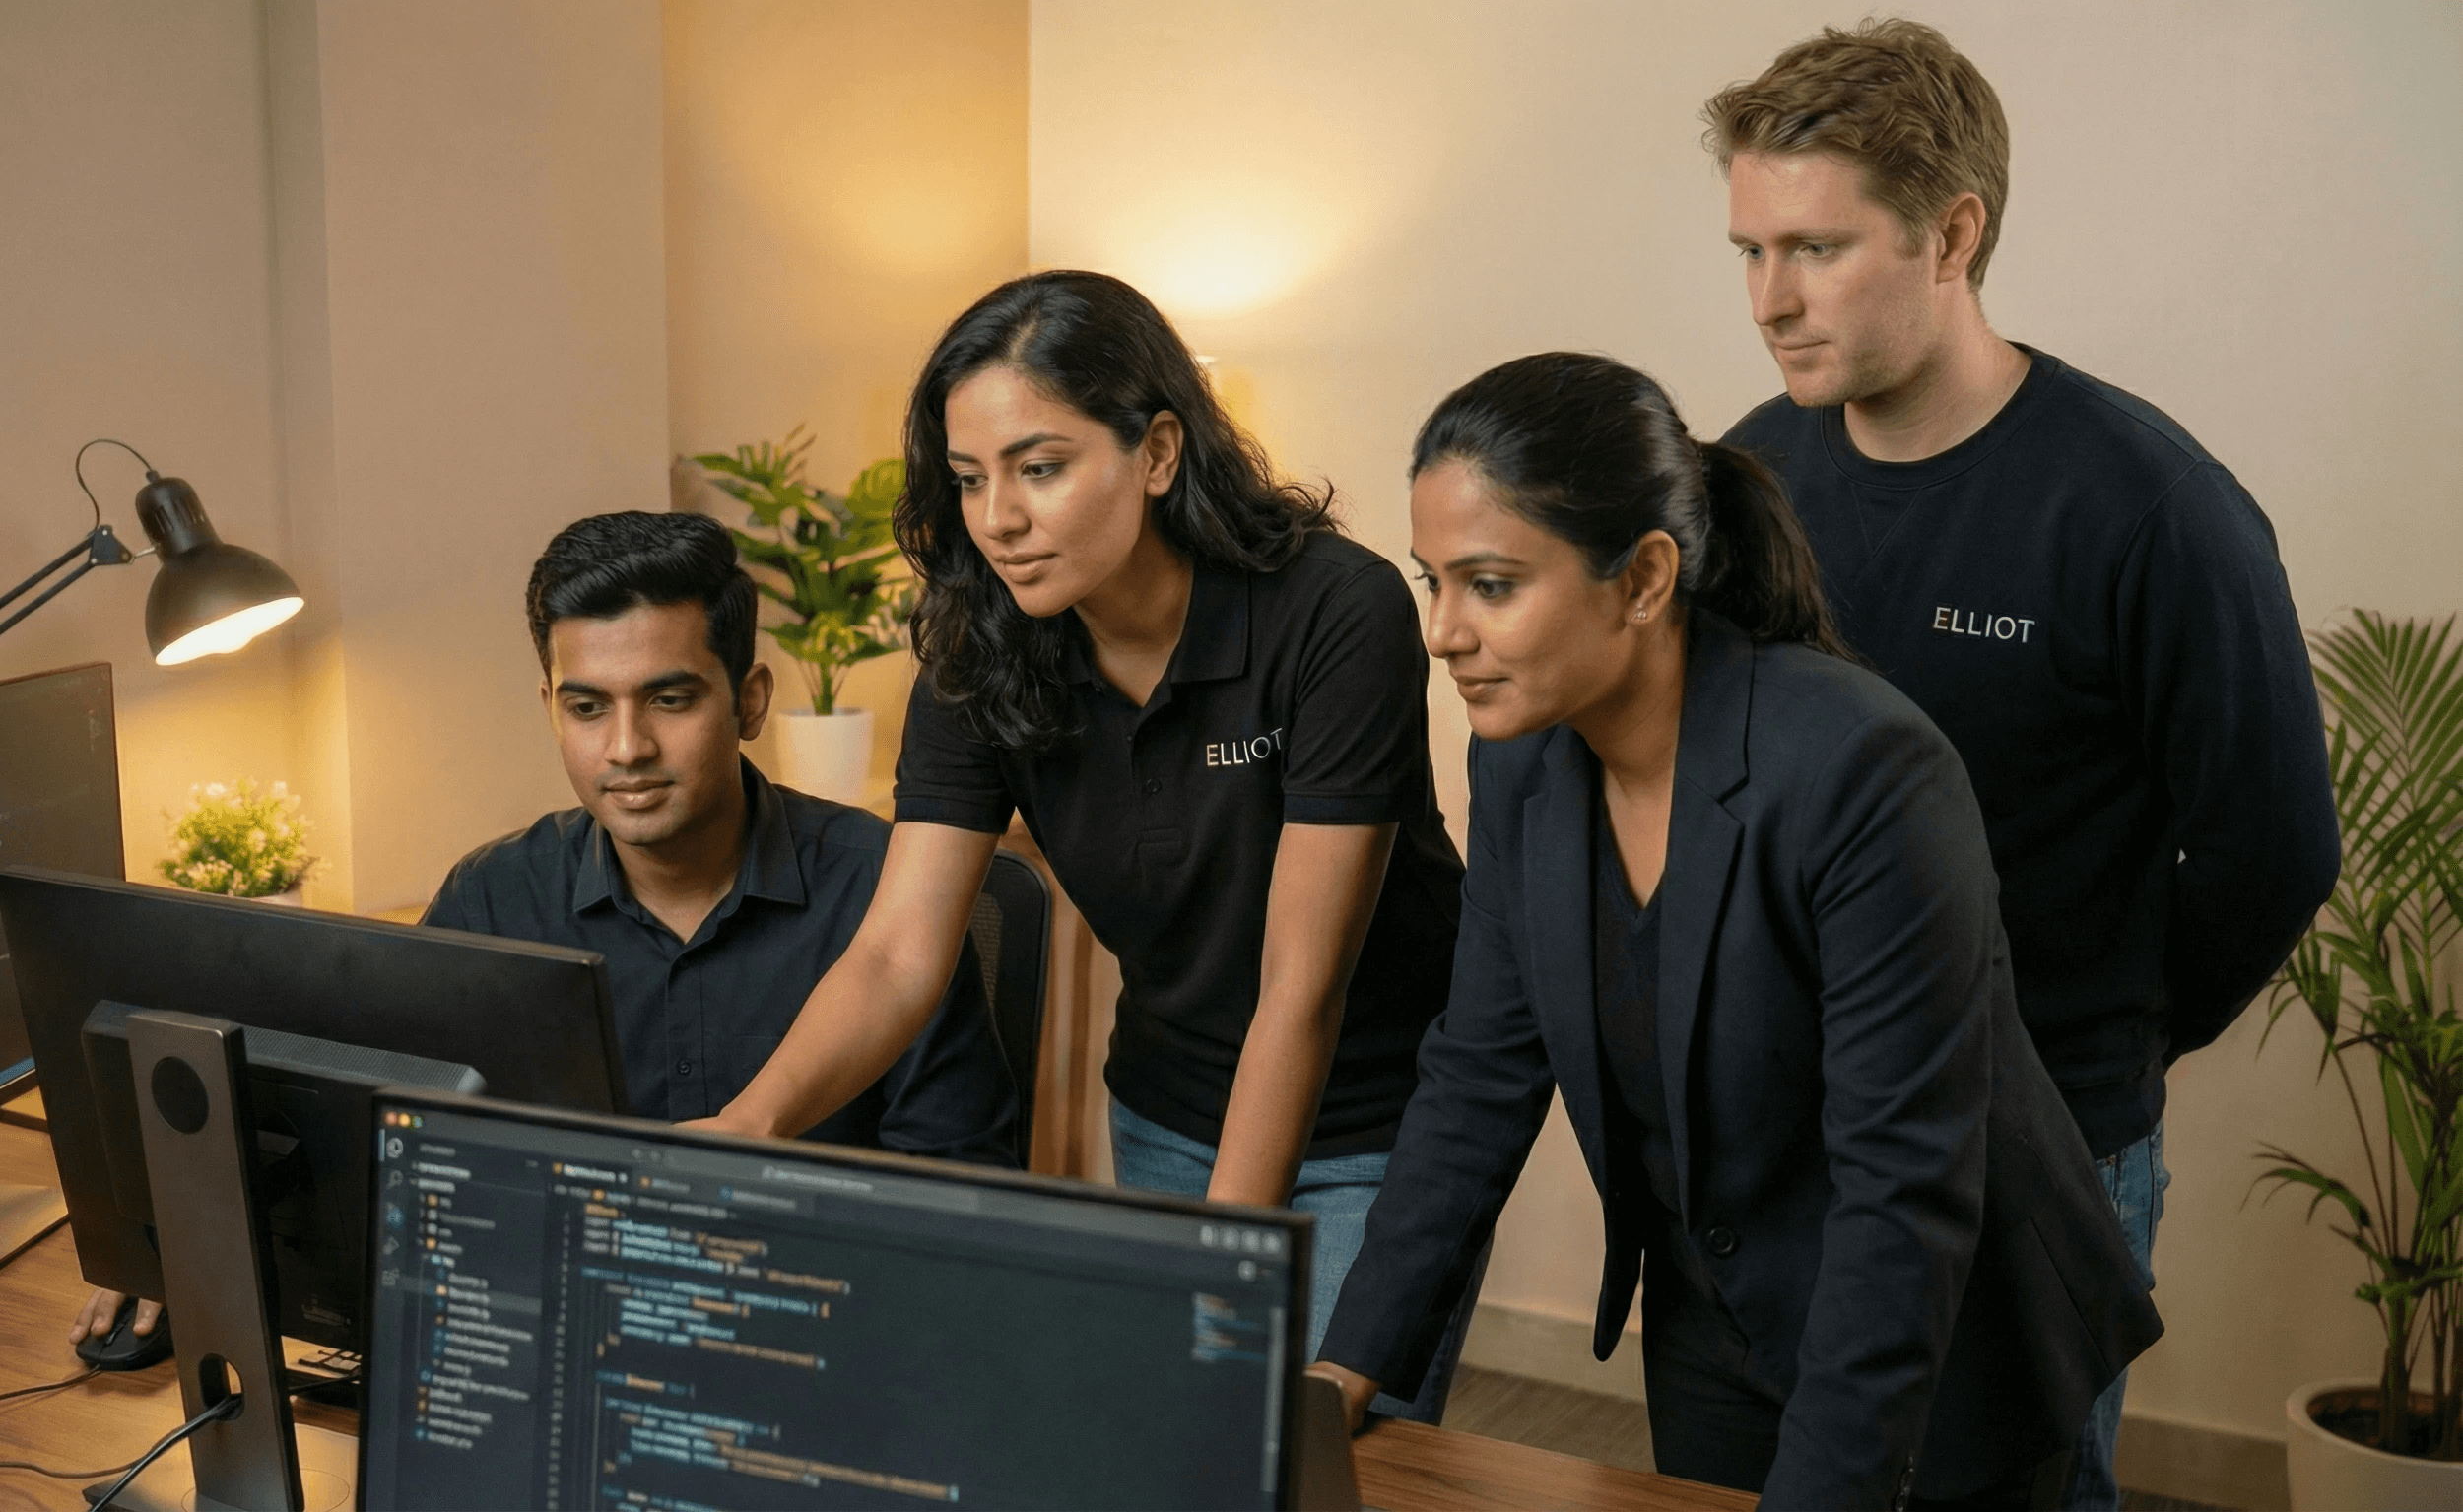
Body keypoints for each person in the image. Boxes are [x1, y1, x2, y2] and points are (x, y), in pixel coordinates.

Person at [1309, 353, 2163, 1509]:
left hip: (1940, 1338)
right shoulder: (1518, 759)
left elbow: (1900, 1191)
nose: (1441, 633)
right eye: (1431, 582)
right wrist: (1337, 1373)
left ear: (1644, 578)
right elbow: (1473, 1081)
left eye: (1491, 585)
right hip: (1715, 1324)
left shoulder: (1862, 767)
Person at [1703, 21, 2338, 1505]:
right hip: (1802, 1141)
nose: (1767, 300)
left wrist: (2099, 1038)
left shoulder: (2147, 505)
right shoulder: (1747, 479)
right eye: (1747, 250)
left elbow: (2272, 852)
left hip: (2041, 1145)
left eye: (1813, 248)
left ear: (1953, 233)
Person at [696, 270, 1473, 1419]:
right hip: (1163, 1106)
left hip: (1374, 1123)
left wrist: (1222, 1267)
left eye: (1039, 468)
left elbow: (1296, 993)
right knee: (1171, 1449)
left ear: (1157, 453)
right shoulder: (977, 643)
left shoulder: (1332, 610)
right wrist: (749, 1125)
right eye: (969, 480)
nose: (998, 518)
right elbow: (898, 956)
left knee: (1307, 1453)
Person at [67, 510, 1018, 1356]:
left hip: (813, 1347)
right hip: (561, 1344)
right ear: (549, 708)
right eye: (587, 705)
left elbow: (964, 1208)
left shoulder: (885, 897)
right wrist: (185, 1240)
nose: (626, 748)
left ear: (751, 701)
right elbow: (369, 1149)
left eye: (672, 698)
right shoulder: (494, 900)